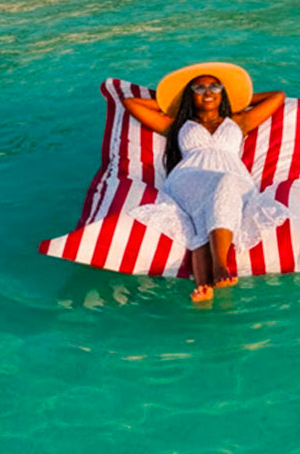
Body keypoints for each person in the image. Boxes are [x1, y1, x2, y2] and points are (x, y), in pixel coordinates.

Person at [121, 62, 289, 303]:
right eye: (199, 88)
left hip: (235, 178)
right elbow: (131, 104)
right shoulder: (176, 124)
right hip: (189, 177)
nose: (208, 92)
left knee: (223, 189)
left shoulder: (238, 121)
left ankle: (204, 286)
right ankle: (220, 267)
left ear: (223, 92)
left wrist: (237, 99)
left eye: (215, 87)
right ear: (190, 95)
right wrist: (175, 103)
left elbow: (278, 96)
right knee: (216, 191)